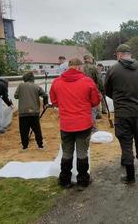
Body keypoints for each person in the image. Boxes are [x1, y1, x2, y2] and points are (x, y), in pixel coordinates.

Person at [50, 58, 101, 190]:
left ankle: (65, 180)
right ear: (78, 67)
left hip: (66, 124)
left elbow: (54, 101)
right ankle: (83, 180)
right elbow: (95, 101)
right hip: (83, 123)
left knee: (66, 152)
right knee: (82, 152)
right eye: (82, 67)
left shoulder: (57, 82)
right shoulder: (87, 81)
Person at [104, 44, 138, 184]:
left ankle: (130, 177)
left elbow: (107, 91)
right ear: (130, 54)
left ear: (119, 54)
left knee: (126, 144)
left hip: (122, 114)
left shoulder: (112, 70)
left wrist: (119, 99)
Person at [14, 72, 48, 150]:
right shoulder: (36, 86)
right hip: (34, 112)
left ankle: (25, 147)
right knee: (37, 130)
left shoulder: (20, 85)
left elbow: (15, 96)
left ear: (24, 79)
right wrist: (45, 104)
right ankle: (40, 145)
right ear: (33, 79)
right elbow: (45, 95)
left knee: (23, 130)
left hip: (23, 112)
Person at [83, 54, 103, 122]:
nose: (92, 60)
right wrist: (102, 89)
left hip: (82, 90)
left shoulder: (80, 67)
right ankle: (93, 122)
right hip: (92, 89)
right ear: (89, 59)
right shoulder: (93, 67)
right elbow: (99, 80)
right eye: (92, 59)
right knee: (93, 105)